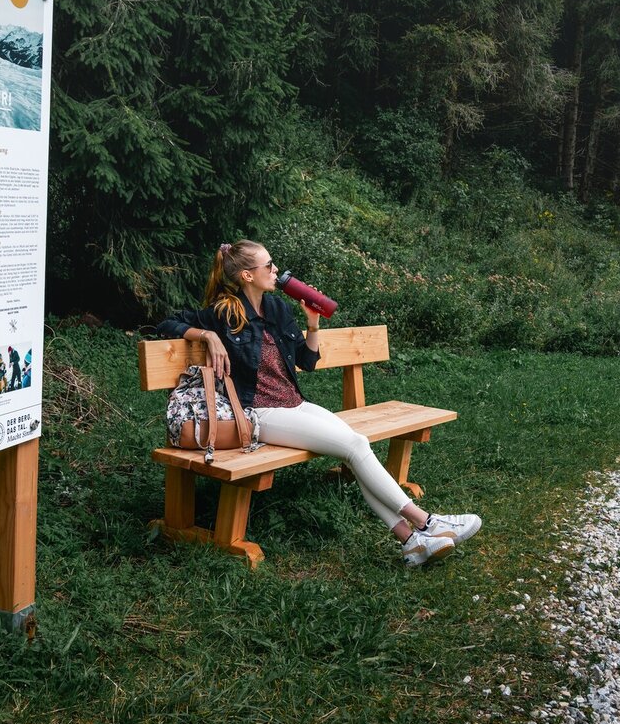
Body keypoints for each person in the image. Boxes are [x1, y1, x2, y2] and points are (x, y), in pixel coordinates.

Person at [157, 240, 481, 565]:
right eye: (268, 265)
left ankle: (411, 542)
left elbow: (307, 361)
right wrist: (208, 335)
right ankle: (427, 522)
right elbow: (167, 323)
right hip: (260, 413)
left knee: (356, 445)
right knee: (355, 445)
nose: (275, 270)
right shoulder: (224, 313)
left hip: (295, 404)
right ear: (247, 275)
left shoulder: (278, 309)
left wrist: (312, 323)